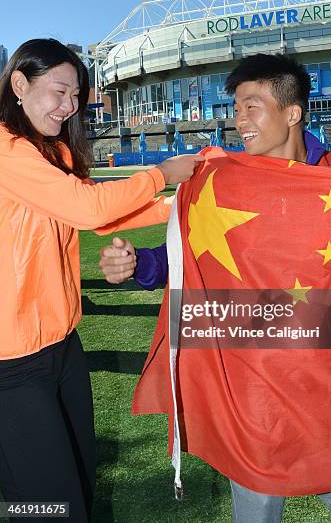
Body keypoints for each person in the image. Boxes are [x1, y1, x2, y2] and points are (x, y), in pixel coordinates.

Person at [99, 54, 331, 523]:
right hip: (252, 397)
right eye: (236, 107)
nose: (238, 120)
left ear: (293, 112)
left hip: (330, 386)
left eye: (252, 106)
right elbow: (194, 257)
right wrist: (139, 265)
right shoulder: (220, 179)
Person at [0, 38, 203, 522]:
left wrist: (188, 204)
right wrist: (162, 175)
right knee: (54, 503)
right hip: (11, 362)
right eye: (60, 91)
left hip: (60, 345)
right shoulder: (7, 150)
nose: (70, 106)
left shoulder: (48, 153)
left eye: (77, 96)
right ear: (20, 85)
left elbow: (102, 216)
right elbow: (90, 209)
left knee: (73, 482)